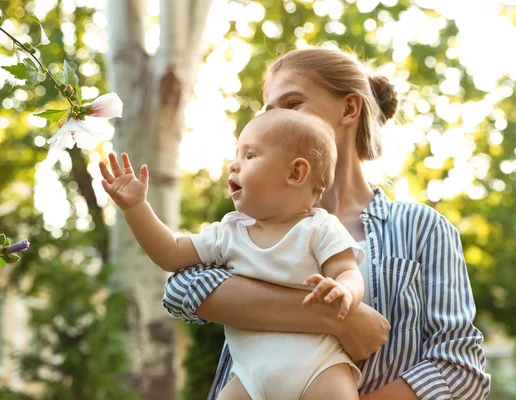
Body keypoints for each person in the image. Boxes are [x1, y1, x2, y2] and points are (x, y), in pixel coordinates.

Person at [163, 48, 491, 400]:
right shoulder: (251, 222)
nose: (276, 123)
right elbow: (181, 289)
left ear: (349, 109)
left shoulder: (423, 228)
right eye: (268, 112)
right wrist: (337, 318)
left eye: (292, 104)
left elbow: (460, 366)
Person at [99, 109, 370, 400]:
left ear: (296, 173)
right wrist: (136, 209)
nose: (234, 165)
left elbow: (347, 272)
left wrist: (345, 292)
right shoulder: (228, 234)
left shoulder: (320, 228)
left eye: (250, 155)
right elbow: (170, 253)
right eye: (237, 155)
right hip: (249, 379)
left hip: (320, 369)